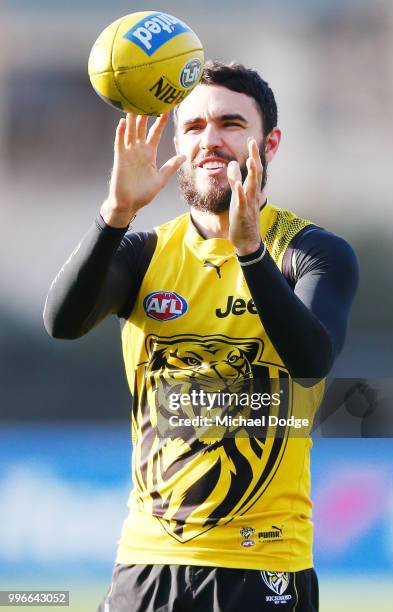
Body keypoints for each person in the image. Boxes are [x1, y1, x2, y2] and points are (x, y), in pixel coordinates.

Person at [44, 61, 359, 611]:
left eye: (231, 124)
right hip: (146, 565)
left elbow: (311, 360)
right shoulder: (142, 254)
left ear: (270, 142)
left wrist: (250, 252)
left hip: (264, 567)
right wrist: (115, 213)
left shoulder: (312, 252)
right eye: (192, 128)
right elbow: (62, 323)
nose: (210, 140)